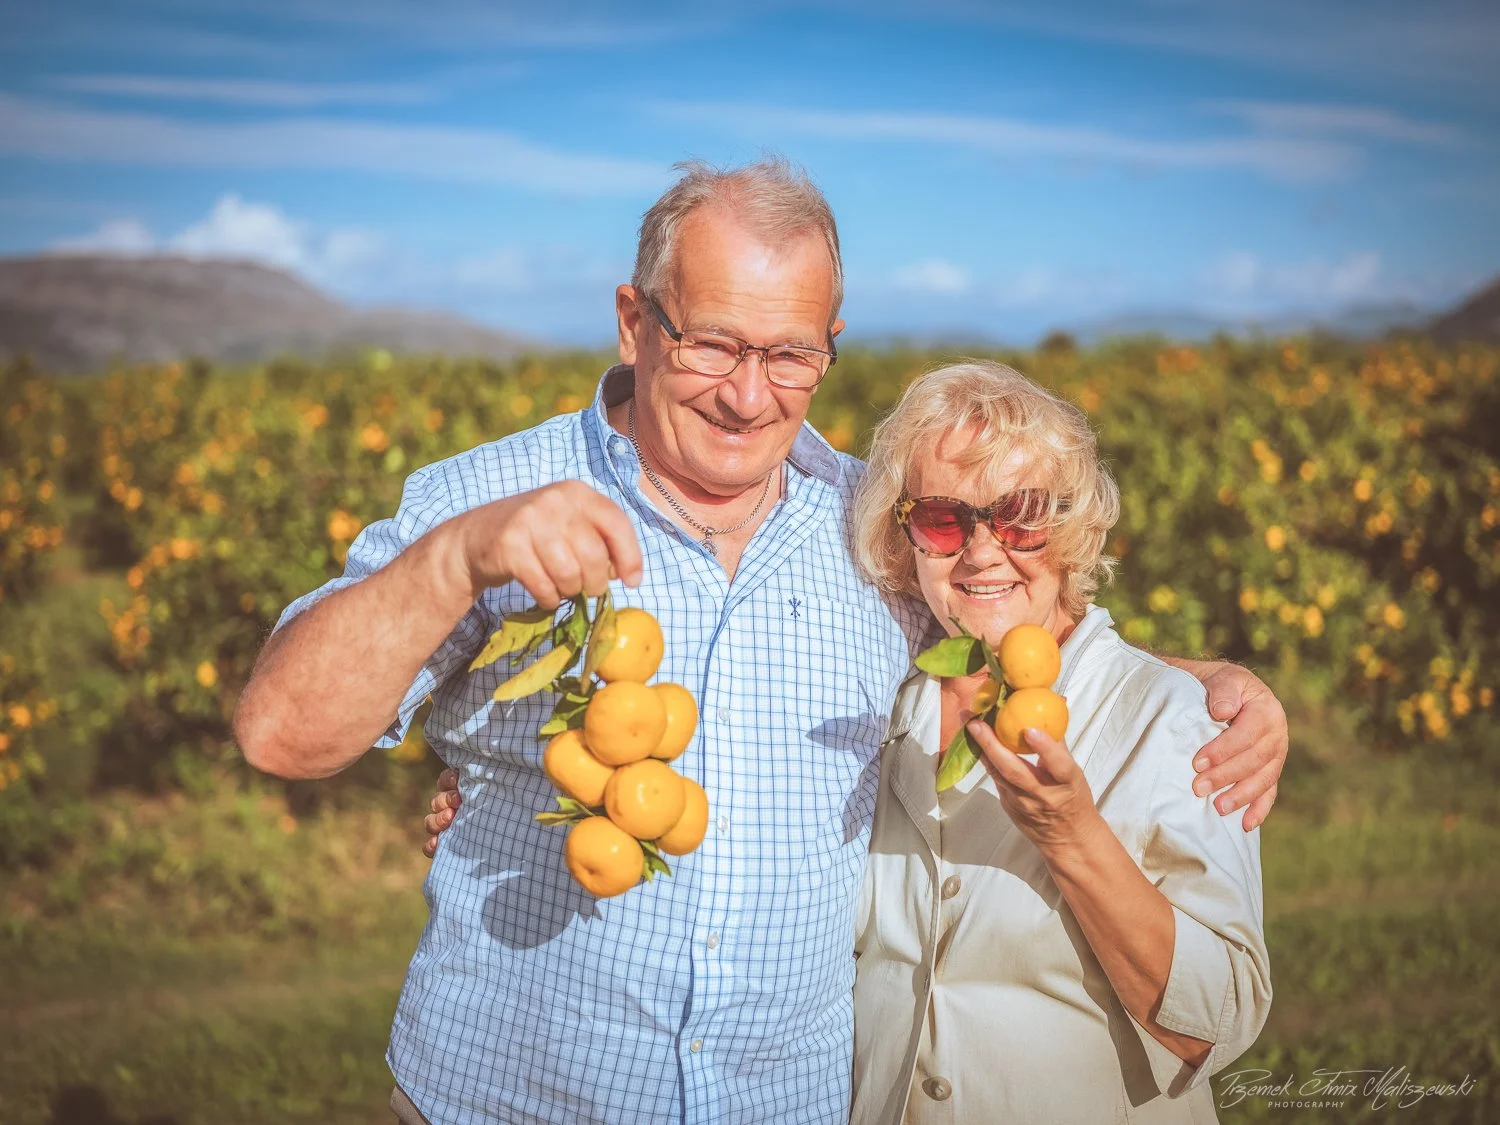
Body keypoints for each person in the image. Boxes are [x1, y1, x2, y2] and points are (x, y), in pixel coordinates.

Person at [236, 158, 1287, 1125]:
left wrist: (1210, 687)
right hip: (507, 1100)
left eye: (790, 354)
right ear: (634, 321)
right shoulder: (487, 502)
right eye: (715, 343)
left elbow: (1004, 615)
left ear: (832, 343)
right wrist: (454, 559)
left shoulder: (865, 531)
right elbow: (282, 734)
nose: (749, 396)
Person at [425, 361, 1272, 1123]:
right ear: (905, 540)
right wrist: (506, 795)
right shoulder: (892, 699)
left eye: (1020, 515)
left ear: (1074, 524)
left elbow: (1219, 1022)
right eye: (943, 519)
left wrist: (1072, 834)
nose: (983, 549)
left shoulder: (1175, 722)